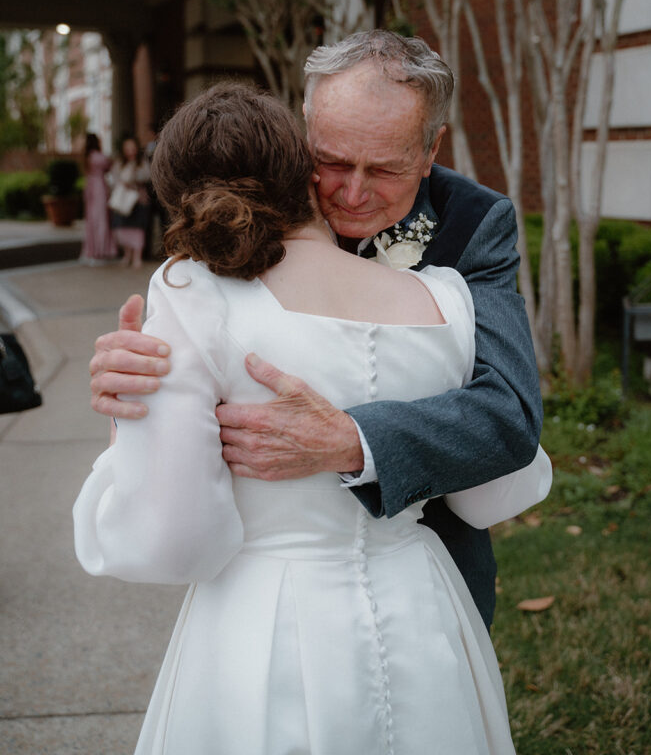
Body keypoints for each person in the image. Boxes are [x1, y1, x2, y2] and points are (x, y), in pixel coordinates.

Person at [74, 82, 548, 754]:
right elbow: (496, 491)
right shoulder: (444, 297)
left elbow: (175, 542)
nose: (354, 192)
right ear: (300, 157)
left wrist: (128, 429)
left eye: (381, 168)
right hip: (422, 607)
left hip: (267, 623)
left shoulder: (189, 290)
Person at [108, 134, 152, 269]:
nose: (130, 150)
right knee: (123, 228)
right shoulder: (119, 163)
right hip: (123, 201)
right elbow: (114, 178)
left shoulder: (142, 162)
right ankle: (127, 255)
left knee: (138, 229)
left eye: (132, 147)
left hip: (138, 200)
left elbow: (147, 176)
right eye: (127, 148)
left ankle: (137, 257)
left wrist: (133, 178)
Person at [80, 133, 117, 264]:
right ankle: (100, 251)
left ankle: (91, 250)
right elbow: (110, 163)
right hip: (99, 188)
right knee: (101, 219)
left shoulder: (87, 157)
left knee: (92, 220)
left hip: (90, 187)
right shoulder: (98, 157)